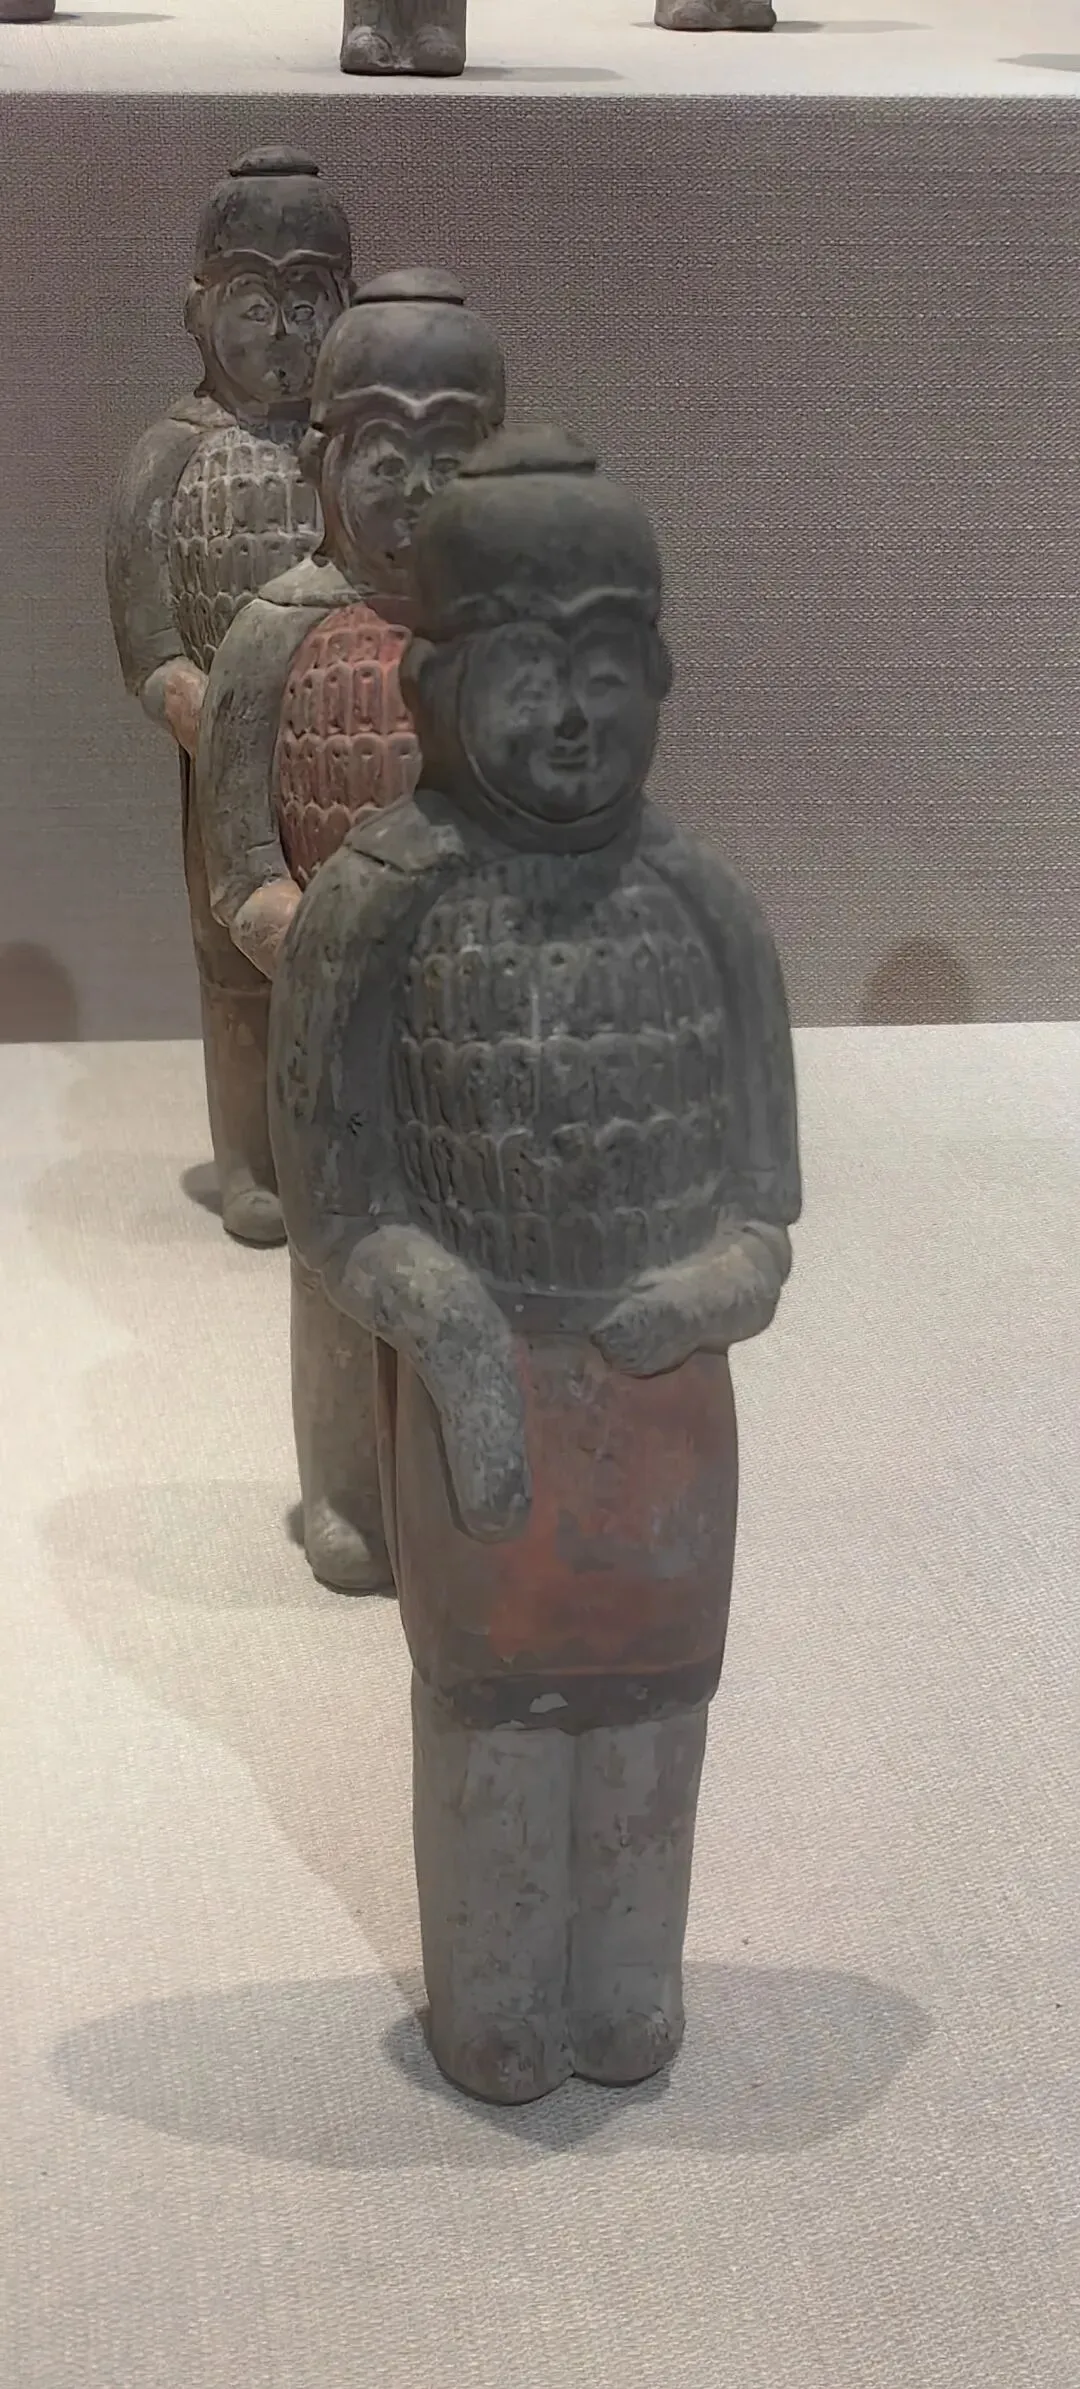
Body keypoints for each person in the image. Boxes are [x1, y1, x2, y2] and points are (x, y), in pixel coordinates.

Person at [268, 426, 801, 2103]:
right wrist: (454, 1332)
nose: (571, 717)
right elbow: (339, 1204)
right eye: (525, 670)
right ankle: (497, 1996)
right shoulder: (378, 905)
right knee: (495, 1719)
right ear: (431, 687)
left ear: (660, 677)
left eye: (604, 668)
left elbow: (764, 1220)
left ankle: (627, 1982)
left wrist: (707, 1291)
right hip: (480, 1391)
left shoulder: (707, 910)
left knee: (651, 1711)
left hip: (662, 1407)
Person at [197, 271, 506, 1591]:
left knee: (470, 1266)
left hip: (474, 1028)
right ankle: (345, 1490)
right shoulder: (274, 638)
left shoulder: (510, 642)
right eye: (387, 453)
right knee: (336, 1265)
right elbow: (241, 875)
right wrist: (335, 964)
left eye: (453, 454)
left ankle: (456, 1482)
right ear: (326, 459)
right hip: (329, 1027)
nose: (416, 492)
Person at [105, 147, 353, 1244]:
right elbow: (149, 646)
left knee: (348, 952)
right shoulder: (168, 457)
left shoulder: (354, 450)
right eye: (257, 304)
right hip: (224, 767)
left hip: (349, 755)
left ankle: (342, 1149)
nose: (284, 335)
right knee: (235, 963)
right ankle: (250, 1161)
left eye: (309, 302)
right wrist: (216, 719)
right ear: (198, 311)